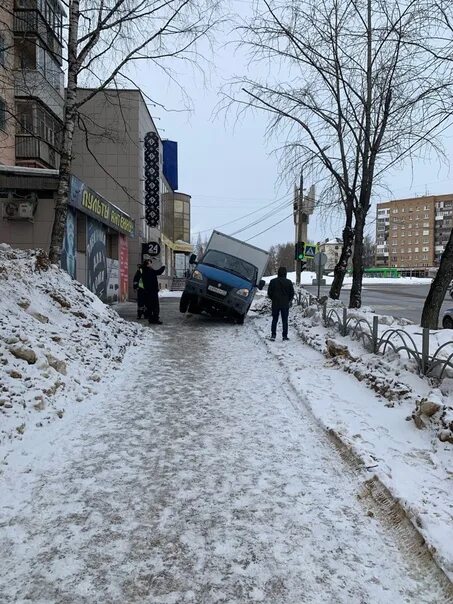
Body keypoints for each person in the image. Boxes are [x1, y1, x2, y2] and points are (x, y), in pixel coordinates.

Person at [267, 266, 295, 341]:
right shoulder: (288, 282)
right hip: (285, 304)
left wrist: (273, 298)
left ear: (278, 273)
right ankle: (284, 336)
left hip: (275, 303)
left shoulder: (273, 281)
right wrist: (288, 300)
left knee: (274, 319)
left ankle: (273, 335)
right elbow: (292, 293)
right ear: (285, 273)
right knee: (285, 320)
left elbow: (269, 293)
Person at [141, 258, 165, 324]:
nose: (151, 264)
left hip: (147, 291)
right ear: (147, 265)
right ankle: (155, 319)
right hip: (152, 291)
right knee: (155, 306)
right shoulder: (149, 271)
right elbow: (158, 272)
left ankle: (151, 319)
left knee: (149, 306)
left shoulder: (144, 271)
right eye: (150, 263)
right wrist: (163, 266)